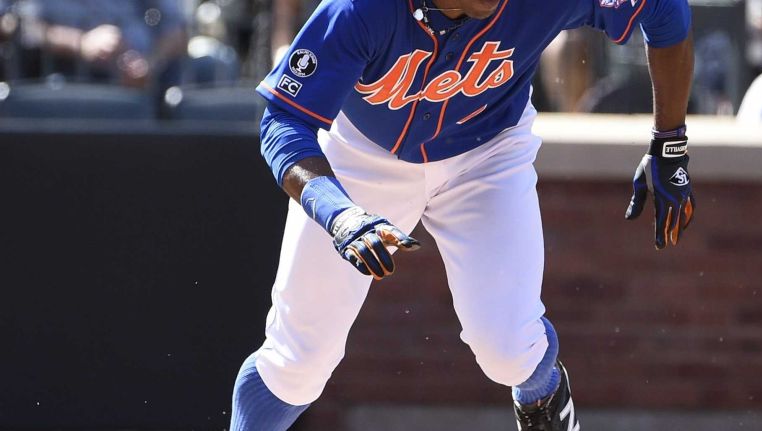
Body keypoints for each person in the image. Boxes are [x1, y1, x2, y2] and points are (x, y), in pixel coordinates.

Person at [230, 0, 696, 430]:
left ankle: (546, 397)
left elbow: (664, 9)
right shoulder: (362, 8)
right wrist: (339, 213)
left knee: (509, 347)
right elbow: (284, 122)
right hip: (363, 155)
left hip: (486, 151)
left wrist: (670, 141)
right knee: (297, 361)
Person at [21, 0, 187, 90]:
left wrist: (149, 64)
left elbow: (177, 32)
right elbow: (26, 27)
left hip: (140, 85)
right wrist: (81, 43)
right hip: (67, 83)